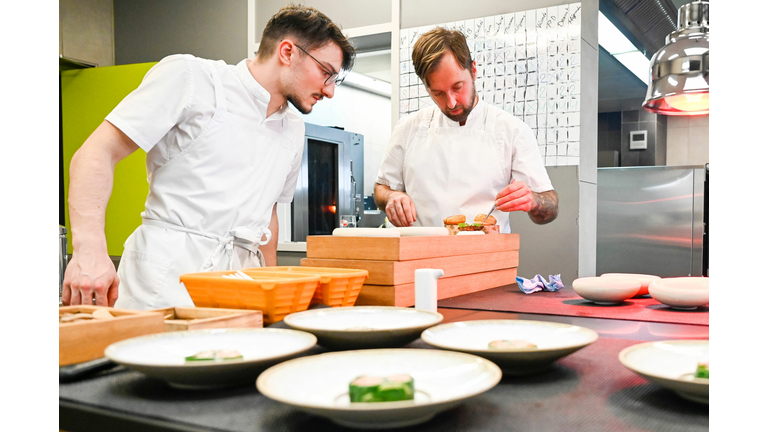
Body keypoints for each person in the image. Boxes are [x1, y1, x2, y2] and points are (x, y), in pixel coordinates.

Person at [62, 4, 355, 309]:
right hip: (166, 279)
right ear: (287, 52)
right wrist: (89, 251)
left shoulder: (293, 128)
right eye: (326, 73)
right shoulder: (193, 78)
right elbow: (96, 152)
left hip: (242, 284)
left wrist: (272, 290)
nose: (330, 91)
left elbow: (267, 216)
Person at [375, 27, 558, 233]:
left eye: (457, 87)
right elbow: (382, 188)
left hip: (483, 258)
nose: (451, 103)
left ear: (473, 70)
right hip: (419, 258)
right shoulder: (407, 128)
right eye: (438, 93)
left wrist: (533, 201)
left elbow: (550, 207)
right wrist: (391, 197)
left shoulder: (512, 130)